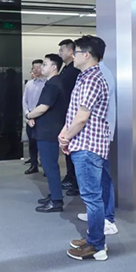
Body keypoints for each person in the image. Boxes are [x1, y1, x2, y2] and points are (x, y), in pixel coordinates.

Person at [59, 36, 111, 261]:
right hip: (83, 143)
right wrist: (65, 132)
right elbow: (74, 113)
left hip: (88, 146)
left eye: (77, 52)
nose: (73, 55)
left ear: (87, 55)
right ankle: (93, 238)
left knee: (92, 198)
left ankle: (97, 246)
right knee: (91, 196)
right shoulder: (85, 77)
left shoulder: (92, 80)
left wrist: (65, 138)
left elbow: (82, 118)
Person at [76, 60, 118, 235]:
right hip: (92, 136)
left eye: (77, 51)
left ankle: (108, 219)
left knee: (104, 178)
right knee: (95, 182)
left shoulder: (99, 75)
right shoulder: (89, 74)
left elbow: (94, 111)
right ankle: (98, 215)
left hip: (98, 137)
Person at [26, 54, 66, 213]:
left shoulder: (53, 84)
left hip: (49, 131)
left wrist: (29, 115)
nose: (42, 67)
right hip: (46, 129)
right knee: (49, 166)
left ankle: (56, 201)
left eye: (45, 64)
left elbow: (43, 107)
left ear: (54, 67)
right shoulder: (52, 83)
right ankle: (53, 195)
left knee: (50, 167)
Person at [58, 39, 81, 196]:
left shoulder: (74, 70)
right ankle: (71, 177)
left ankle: (76, 182)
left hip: (73, 115)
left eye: (62, 50)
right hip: (65, 113)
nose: (60, 53)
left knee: (73, 149)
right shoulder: (66, 69)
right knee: (67, 149)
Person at [22, 59, 46, 174]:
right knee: (32, 144)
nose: (36, 70)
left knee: (44, 145)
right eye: (34, 68)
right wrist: (28, 115)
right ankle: (33, 164)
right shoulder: (29, 84)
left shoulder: (47, 83)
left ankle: (46, 167)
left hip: (43, 117)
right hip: (30, 118)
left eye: (38, 67)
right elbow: (24, 101)